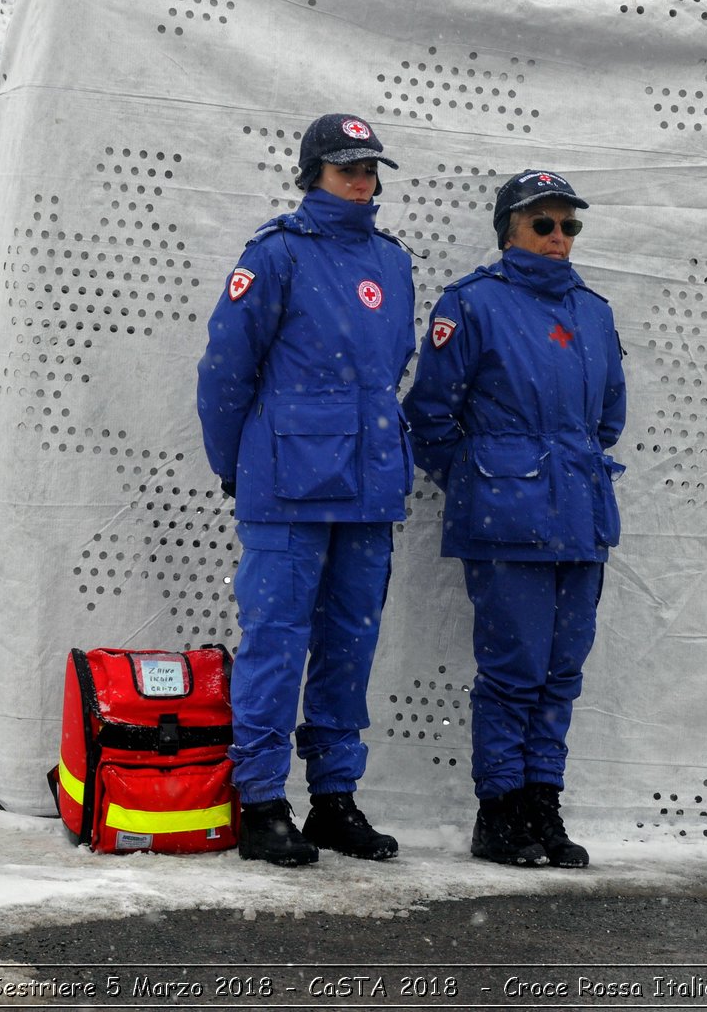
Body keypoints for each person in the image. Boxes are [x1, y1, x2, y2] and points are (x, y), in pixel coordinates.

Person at [197, 113, 415, 866]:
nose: (362, 180)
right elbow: (225, 370)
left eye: (369, 168)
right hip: (287, 487)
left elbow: (396, 364)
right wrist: (238, 466)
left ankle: (333, 797)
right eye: (345, 167)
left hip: (369, 487)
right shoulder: (277, 255)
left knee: (351, 643)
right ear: (312, 173)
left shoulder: (392, 262)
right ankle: (259, 800)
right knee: (277, 642)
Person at [404, 169, 626, 867]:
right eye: (544, 224)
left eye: (569, 226)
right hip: (507, 520)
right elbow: (428, 416)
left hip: (583, 518)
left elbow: (608, 418)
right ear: (509, 230)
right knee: (513, 670)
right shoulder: (473, 305)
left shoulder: (593, 311)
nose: (559, 238)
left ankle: (542, 804)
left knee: (562, 670)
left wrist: (560, 470)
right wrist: (485, 481)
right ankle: (498, 811)